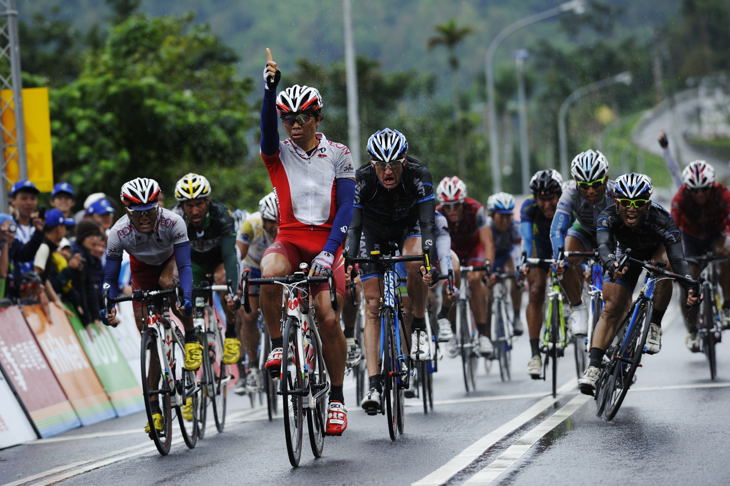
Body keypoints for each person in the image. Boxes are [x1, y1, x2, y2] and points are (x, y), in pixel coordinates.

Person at [260, 48, 355, 436]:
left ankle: (336, 398)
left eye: (301, 118)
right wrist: (270, 91)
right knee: (268, 273)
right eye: (287, 119)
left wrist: (331, 251)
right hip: (291, 239)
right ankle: (279, 344)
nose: (293, 125)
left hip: (330, 244)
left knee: (328, 318)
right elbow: (266, 132)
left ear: (317, 118)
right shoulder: (278, 154)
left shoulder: (339, 154)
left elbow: (347, 209)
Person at [578, 173, 697, 394]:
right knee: (612, 307)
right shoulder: (608, 215)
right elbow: (604, 246)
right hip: (627, 253)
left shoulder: (662, 219)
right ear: (616, 201)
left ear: (648, 203)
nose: (631, 208)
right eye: (625, 203)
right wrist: (612, 264)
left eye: (639, 203)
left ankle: (654, 324)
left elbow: (678, 258)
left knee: (663, 266)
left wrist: (690, 284)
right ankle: (594, 367)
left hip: (656, 251)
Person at [345, 128, 435, 415]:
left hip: (408, 229)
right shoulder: (362, 179)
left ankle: (418, 323)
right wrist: (349, 260)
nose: (387, 172)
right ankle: (373, 383)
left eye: (394, 165)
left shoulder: (419, 175)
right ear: (372, 164)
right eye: (381, 165)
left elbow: (428, 224)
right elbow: (355, 225)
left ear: (404, 161)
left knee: (413, 260)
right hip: (371, 234)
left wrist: (428, 262)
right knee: (372, 305)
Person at [102, 177, 198, 434]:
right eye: (138, 213)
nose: (144, 218)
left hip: (170, 262)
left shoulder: (173, 222)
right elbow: (110, 278)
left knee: (170, 284)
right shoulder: (118, 232)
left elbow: (186, 265)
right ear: (127, 211)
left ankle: (191, 338)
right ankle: (154, 408)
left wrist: (185, 296)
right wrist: (108, 303)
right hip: (141, 272)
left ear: (157, 206)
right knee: (150, 338)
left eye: (149, 211)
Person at [173, 172, 241, 368]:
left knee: (224, 283)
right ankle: (192, 338)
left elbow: (230, 255)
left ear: (208, 201)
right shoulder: (175, 219)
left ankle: (231, 334)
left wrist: (232, 289)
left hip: (219, 259)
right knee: (186, 294)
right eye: (189, 205)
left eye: (199, 204)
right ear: (181, 206)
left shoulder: (222, 215)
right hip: (192, 262)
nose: (194, 211)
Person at [549, 149, 615, 338]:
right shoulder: (569, 193)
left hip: (611, 236)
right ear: (577, 182)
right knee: (564, 259)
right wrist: (559, 257)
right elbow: (557, 230)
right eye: (584, 186)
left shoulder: (615, 192)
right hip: (584, 232)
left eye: (596, 184)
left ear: (605, 179)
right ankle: (578, 308)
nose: (591, 191)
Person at [670, 160, 730, 351]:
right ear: (688, 189)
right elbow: (671, 231)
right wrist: (675, 260)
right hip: (692, 238)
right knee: (688, 281)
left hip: (716, 235)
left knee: (726, 258)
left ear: (711, 185)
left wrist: (727, 240)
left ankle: (727, 306)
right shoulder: (680, 199)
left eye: (704, 189)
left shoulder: (723, 193)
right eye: (695, 191)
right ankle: (693, 329)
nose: (700, 194)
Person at [435, 176, 495, 354]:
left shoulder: (476, 209)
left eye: (456, 205)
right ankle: (452, 333)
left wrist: (487, 265)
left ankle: (483, 335)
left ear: (464, 202)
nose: (452, 210)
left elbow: (488, 242)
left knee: (475, 280)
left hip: (473, 250)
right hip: (451, 251)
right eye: (448, 206)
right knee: (450, 285)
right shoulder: (437, 213)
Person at [520, 169, 563, 378]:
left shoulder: (567, 205)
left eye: (551, 199)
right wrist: (525, 261)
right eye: (541, 199)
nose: (547, 205)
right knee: (536, 290)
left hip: (564, 245)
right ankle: (535, 354)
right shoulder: (528, 207)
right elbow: (527, 240)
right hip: (540, 247)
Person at [235, 191, 278, 394]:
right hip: (252, 267)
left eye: (279, 221)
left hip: (278, 267)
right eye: (271, 222)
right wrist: (235, 284)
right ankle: (252, 366)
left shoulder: (289, 224)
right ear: (263, 218)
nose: (275, 227)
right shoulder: (251, 224)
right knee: (249, 315)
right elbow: (238, 256)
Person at [486, 192, 523, 339]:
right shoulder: (486, 227)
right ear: (492, 215)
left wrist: (517, 271)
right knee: (486, 292)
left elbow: (517, 252)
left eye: (509, 216)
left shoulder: (515, 227)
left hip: (507, 256)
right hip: (490, 257)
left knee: (516, 276)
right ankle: (486, 333)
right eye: (501, 216)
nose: (505, 220)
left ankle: (516, 317)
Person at [32, 209, 77, 313]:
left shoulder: (48, 248)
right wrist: (41, 294)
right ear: (58, 229)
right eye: (65, 227)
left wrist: (56, 300)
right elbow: (35, 276)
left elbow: (44, 278)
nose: (65, 231)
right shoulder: (44, 248)